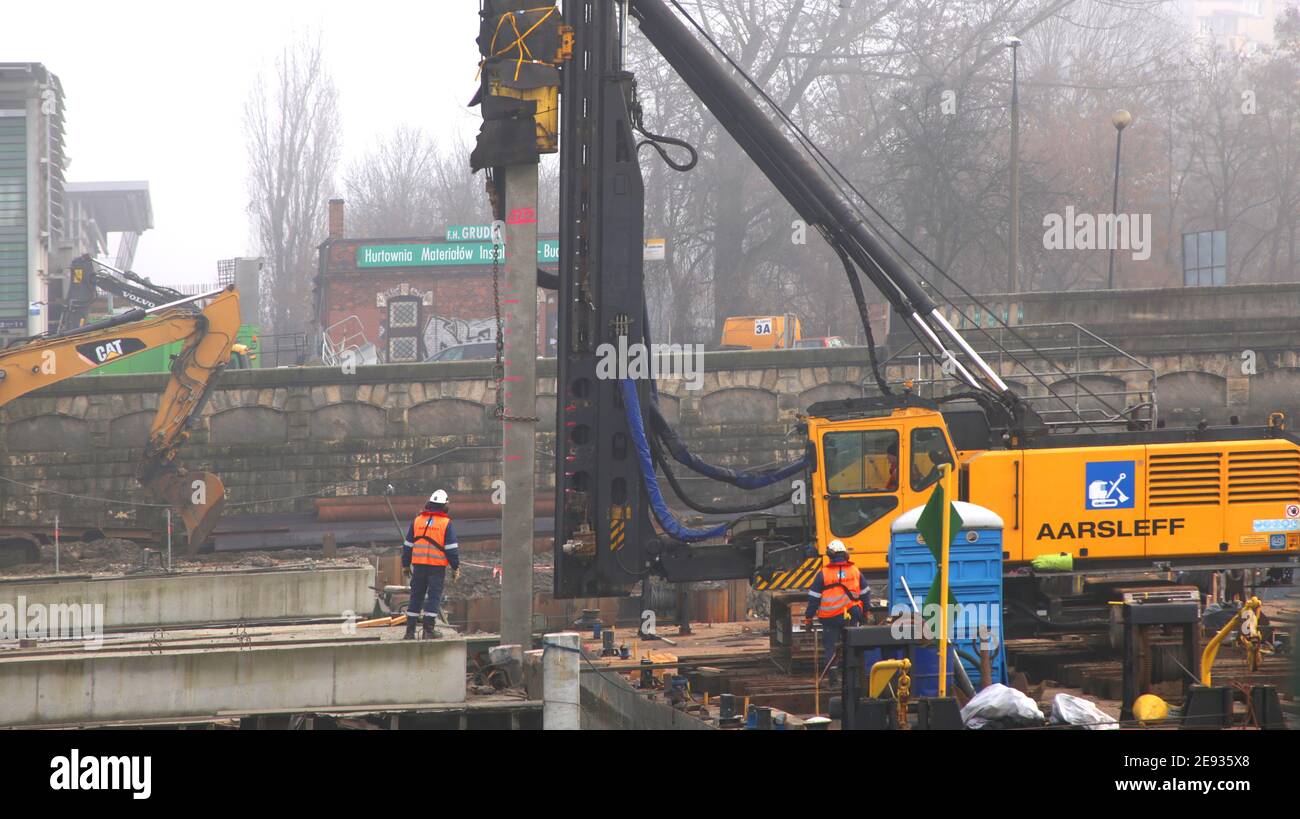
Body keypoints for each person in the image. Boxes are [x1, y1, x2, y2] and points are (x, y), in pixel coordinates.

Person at [804, 539, 869, 683]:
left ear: (830, 555)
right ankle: (852, 677)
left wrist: (808, 618)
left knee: (831, 648)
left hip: (830, 619)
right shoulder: (855, 571)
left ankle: (833, 678)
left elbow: (814, 598)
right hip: (851, 616)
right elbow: (865, 593)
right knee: (852, 645)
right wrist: (865, 613)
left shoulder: (823, 574)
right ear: (845, 554)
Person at [402, 489, 460, 639]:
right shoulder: (446, 523)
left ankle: (409, 632)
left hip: (419, 566)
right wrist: (455, 567)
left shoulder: (417, 521)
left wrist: (405, 565)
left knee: (416, 597)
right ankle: (428, 630)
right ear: (444, 505)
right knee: (433, 597)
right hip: (436, 567)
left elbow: (408, 545)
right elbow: (451, 549)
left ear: (429, 504)